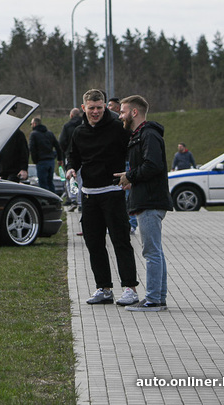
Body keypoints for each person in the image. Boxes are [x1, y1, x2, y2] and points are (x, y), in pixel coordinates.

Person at [65, 89, 139, 306]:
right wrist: (71, 168)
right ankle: (104, 288)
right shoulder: (79, 132)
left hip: (113, 193)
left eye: (99, 107)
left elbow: (135, 150)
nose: (95, 112)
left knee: (120, 241)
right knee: (94, 243)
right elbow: (73, 156)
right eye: (91, 108)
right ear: (84, 108)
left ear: (105, 106)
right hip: (89, 195)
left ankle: (130, 288)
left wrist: (132, 175)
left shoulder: (118, 128)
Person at [114, 94, 172, 312]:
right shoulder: (141, 135)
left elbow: (153, 165)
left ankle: (153, 299)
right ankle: (158, 298)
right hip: (147, 198)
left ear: (134, 112)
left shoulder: (148, 134)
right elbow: (147, 168)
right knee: (155, 251)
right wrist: (131, 179)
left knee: (151, 252)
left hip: (150, 202)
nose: (120, 116)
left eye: (122, 112)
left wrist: (130, 176)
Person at [28, 117, 63, 193]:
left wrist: (35, 161)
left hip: (41, 161)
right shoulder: (49, 133)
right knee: (50, 182)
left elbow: (32, 149)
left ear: (34, 124)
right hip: (51, 161)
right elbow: (57, 146)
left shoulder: (33, 134)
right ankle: (53, 198)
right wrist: (59, 159)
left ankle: (45, 199)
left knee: (43, 184)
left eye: (31, 124)